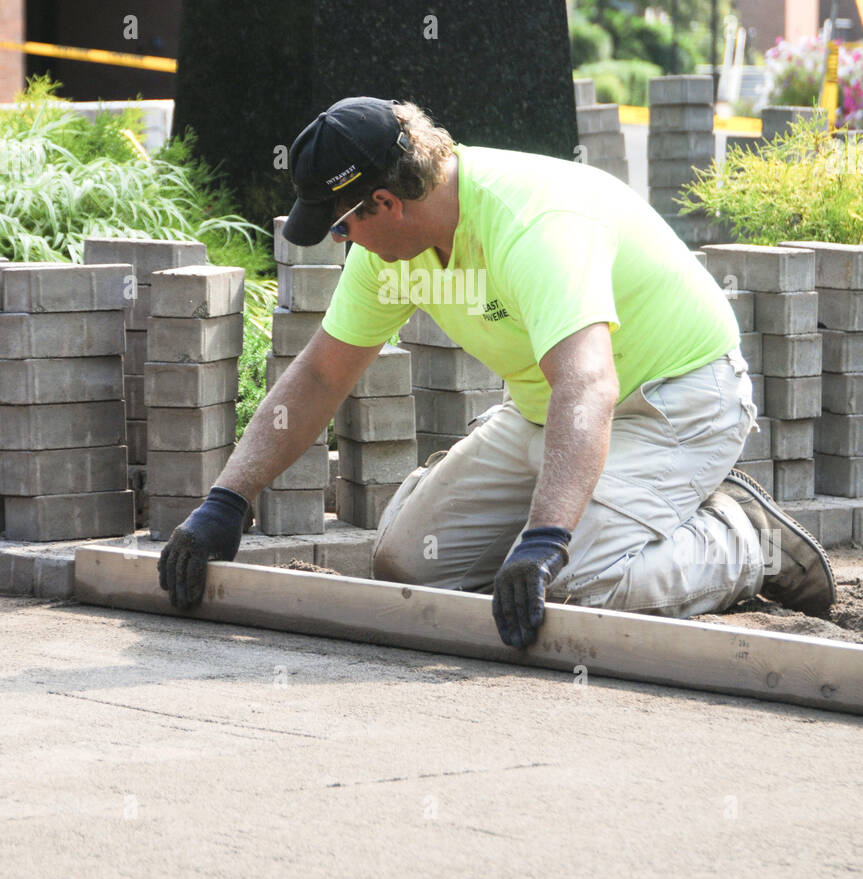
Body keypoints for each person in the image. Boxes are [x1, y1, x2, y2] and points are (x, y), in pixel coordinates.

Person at [158, 95, 836, 647]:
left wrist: (544, 541)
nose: (343, 242)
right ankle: (590, 517)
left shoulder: (532, 225)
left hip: (672, 401)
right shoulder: (387, 253)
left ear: (385, 205)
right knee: (409, 563)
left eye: (340, 227)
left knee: (580, 585)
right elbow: (321, 376)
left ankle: (744, 540)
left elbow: (589, 385)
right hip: (551, 409)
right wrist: (227, 501)